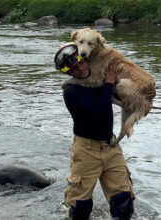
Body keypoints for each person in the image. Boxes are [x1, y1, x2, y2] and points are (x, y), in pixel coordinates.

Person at [56, 43, 135, 220]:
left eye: (80, 62)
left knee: (124, 202)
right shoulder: (71, 91)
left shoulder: (101, 77)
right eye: (73, 68)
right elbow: (99, 110)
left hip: (110, 145)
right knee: (81, 207)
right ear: (68, 73)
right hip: (85, 150)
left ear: (86, 59)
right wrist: (108, 83)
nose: (79, 68)